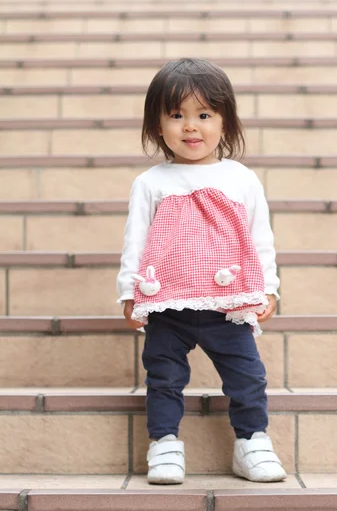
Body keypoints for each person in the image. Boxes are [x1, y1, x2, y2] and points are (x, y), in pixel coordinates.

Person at [117, 57, 287, 485]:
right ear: (158, 125)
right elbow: (135, 241)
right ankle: (165, 444)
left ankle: (252, 442)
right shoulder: (151, 182)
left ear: (225, 123)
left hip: (227, 304)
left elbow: (258, 237)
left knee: (247, 376)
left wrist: (268, 288)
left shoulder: (241, 179)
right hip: (167, 303)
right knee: (164, 377)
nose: (191, 126)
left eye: (204, 115)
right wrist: (130, 294)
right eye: (177, 115)